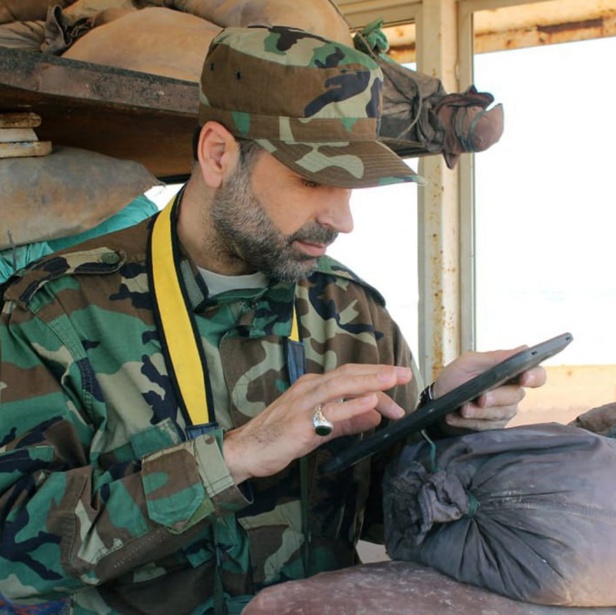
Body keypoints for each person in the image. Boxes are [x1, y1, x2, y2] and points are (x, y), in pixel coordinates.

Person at [0, 25, 546, 614]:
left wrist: (444, 419)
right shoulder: (55, 311)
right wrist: (234, 456)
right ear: (218, 155)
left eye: (353, 185)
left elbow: (389, 515)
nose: (342, 219)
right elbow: (12, 552)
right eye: (313, 178)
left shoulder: (351, 310)